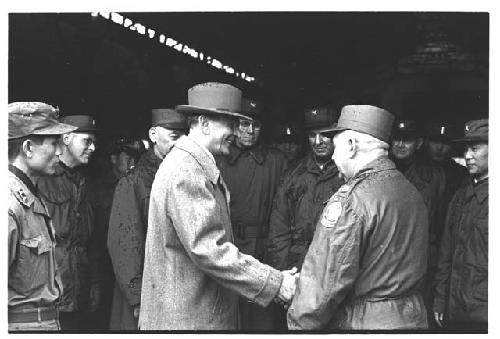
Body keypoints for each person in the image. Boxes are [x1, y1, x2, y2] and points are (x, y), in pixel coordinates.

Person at [139, 82, 298, 330]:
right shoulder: (187, 171)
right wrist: (276, 283)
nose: (236, 132)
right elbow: (209, 249)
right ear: (203, 123)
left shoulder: (193, 163)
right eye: (230, 124)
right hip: (188, 322)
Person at [287, 105, 429, 330]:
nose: (332, 156)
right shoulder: (410, 191)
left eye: (335, 147)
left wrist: (298, 324)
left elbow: (325, 284)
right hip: (412, 318)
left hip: (367, 322)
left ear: (352, 146)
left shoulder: (352, 200)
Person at [107, 108, 188, 330]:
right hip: (142, 292)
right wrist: (136, 298)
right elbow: (124, 245)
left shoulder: (180, 175)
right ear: (153, 135)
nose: (181, 143)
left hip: (172, 286)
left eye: (184, 137)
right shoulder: (133, 182)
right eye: (173, 137)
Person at [267, 106, 344, 329]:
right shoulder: (293, 175)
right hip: (297, 270)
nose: (318, 141)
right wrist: (284, 278)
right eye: (312, 135)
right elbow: (277, 233)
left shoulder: (347, 174)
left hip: (333, 271)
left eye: (325, 135)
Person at [216, 98, 288, 330]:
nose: (249, 130)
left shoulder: (277, 160)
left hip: (262, 249)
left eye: (255, 125)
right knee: (227, 316)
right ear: (234, 125)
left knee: (260, 320)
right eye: (243, 124)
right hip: (228, 246)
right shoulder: (218, 158)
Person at [8, 102, 77, 331]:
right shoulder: (9, 205)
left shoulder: (29, 196)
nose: (60, 151)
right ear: (28, 148)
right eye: (54, 143)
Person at [36, 115, 100, 331]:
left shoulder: (83, 182)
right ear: (65, 139)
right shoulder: (43, 179)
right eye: (87, 141)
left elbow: (89, 244)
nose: (93, 148)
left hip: (78, 297)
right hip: (49, 300)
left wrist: (94, 286)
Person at [433, 119, 488, 332]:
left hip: (484, 313)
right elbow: (446, 253)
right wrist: (440, 298)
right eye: (465, 149)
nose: (467, 156)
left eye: (475, 148)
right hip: (455, 307)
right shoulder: (460, 194)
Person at [87, 137, 143, 331]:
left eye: (136, 158)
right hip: (101, 267)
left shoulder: (137, 185)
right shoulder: (96, 188)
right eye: (127, 157)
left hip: (125, 269)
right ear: (113, 158)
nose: (133, 162)